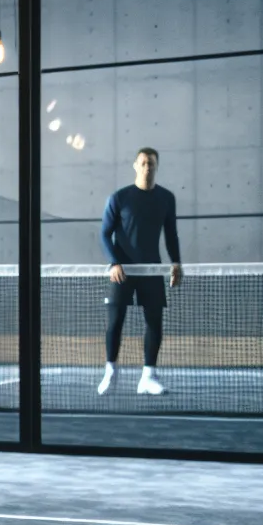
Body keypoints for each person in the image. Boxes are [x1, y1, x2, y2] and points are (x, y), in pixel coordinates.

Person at [99, 147, 182, 396]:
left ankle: (148, 377)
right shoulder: (119, 197)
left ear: (156, 167)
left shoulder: (166, 198)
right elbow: (104, 233)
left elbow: (171, 234)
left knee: (154, 322)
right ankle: (111, 372)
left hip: (151, 269)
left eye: (152, 164)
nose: (148, 167)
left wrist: (176, 263)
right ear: (136, 165)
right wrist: (114, 263)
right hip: (121, 271)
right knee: (115, 322)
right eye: (144, 163)